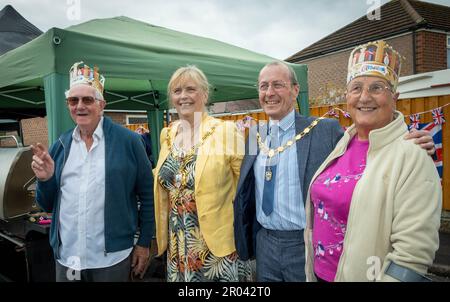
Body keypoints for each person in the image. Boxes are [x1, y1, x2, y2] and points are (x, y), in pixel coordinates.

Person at [233, 61, 436, 282]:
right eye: (264, 86)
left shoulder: (324, 129)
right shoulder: (254, 135)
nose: (269, 93)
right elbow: (246, 187)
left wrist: (405, 136)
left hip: (305, 245)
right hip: (265, 243)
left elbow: (368, 147)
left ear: (295, 90)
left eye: (278, 85)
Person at [304, 40, 441, 282]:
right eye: (356, 88)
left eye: (377, 88)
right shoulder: (343, 142)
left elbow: (411, 257)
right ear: (347, 96)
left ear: (395, 97)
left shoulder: (412, 155)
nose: (364, 97)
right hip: (320, 275)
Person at [31, 62, 154, 282]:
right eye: (73, 100)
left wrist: (144, 243)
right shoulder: (60, 145)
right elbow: (47, 205)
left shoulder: (130, 141)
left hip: (111, 259)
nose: (80, 106)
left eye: (88, 100)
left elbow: (148, 195)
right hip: (69, 259)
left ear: (102, 104)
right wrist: (46, 179)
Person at [153, 65, 252, 282]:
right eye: (177, 91)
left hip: (217, 247)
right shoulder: (166, 135)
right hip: (177, 244)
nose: (183, 96)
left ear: (205, 94)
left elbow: (246, 188)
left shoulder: (225, 131)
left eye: (190, 89)